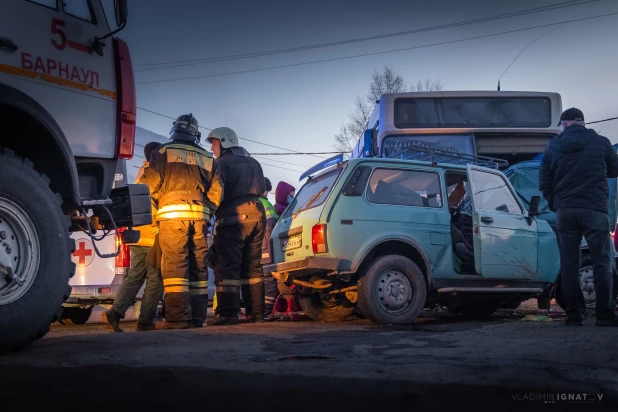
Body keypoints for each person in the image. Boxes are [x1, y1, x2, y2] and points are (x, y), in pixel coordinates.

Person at [539, 107, 618, 326]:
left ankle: (574, 314)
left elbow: (544, 183)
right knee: (602, 262)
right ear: (583, 123)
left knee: (569, 264)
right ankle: (604, 315)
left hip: (565, 211)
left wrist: (557, 205)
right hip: (594, 209)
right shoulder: (601, 142)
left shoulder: (552, 147)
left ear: (564, 124)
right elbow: (615, 169)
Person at [150, 113, 213, 329]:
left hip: (172, 216)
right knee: (198, 266)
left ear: (174, 130)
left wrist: (161, 201)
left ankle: (177, 319)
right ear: (196, 133)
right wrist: (208, 210)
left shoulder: (162, 152)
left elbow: (151, 185)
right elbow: (217, 191)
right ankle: (197, 318)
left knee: (176, 265)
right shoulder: (207, 157)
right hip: (199, 217)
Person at [205, 127, 267, 326]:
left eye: (213, 143)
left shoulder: (221, 163)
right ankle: (257, 313)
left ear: (224, 142)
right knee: (253, 267)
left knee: (227, 266)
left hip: (234, 218)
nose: (212, 147)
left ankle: (227, 313)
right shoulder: (254, 162)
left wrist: (207, 214)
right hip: (258, 216)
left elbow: (216, 193)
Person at [102, 142, 163, 332]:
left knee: (135, 277)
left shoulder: (141, 174)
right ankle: (145, 321)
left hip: (138, 235)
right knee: (156, 279)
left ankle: (116, 312)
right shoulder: (157, 174)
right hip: (153, 235)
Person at [273, 181, 300, 314]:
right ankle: (289, 304)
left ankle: (287, 305)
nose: (292, 198)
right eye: (290, 195)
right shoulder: (282, 210)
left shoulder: (283, 209)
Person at [260, 177, 285, 317]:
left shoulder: (249, 203)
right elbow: (272, 228)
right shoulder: (266, 204)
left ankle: (258, 311)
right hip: (266, 249)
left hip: (254, 251)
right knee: (269, 281)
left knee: (258, 281)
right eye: (266, 191)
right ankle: (266, 311)